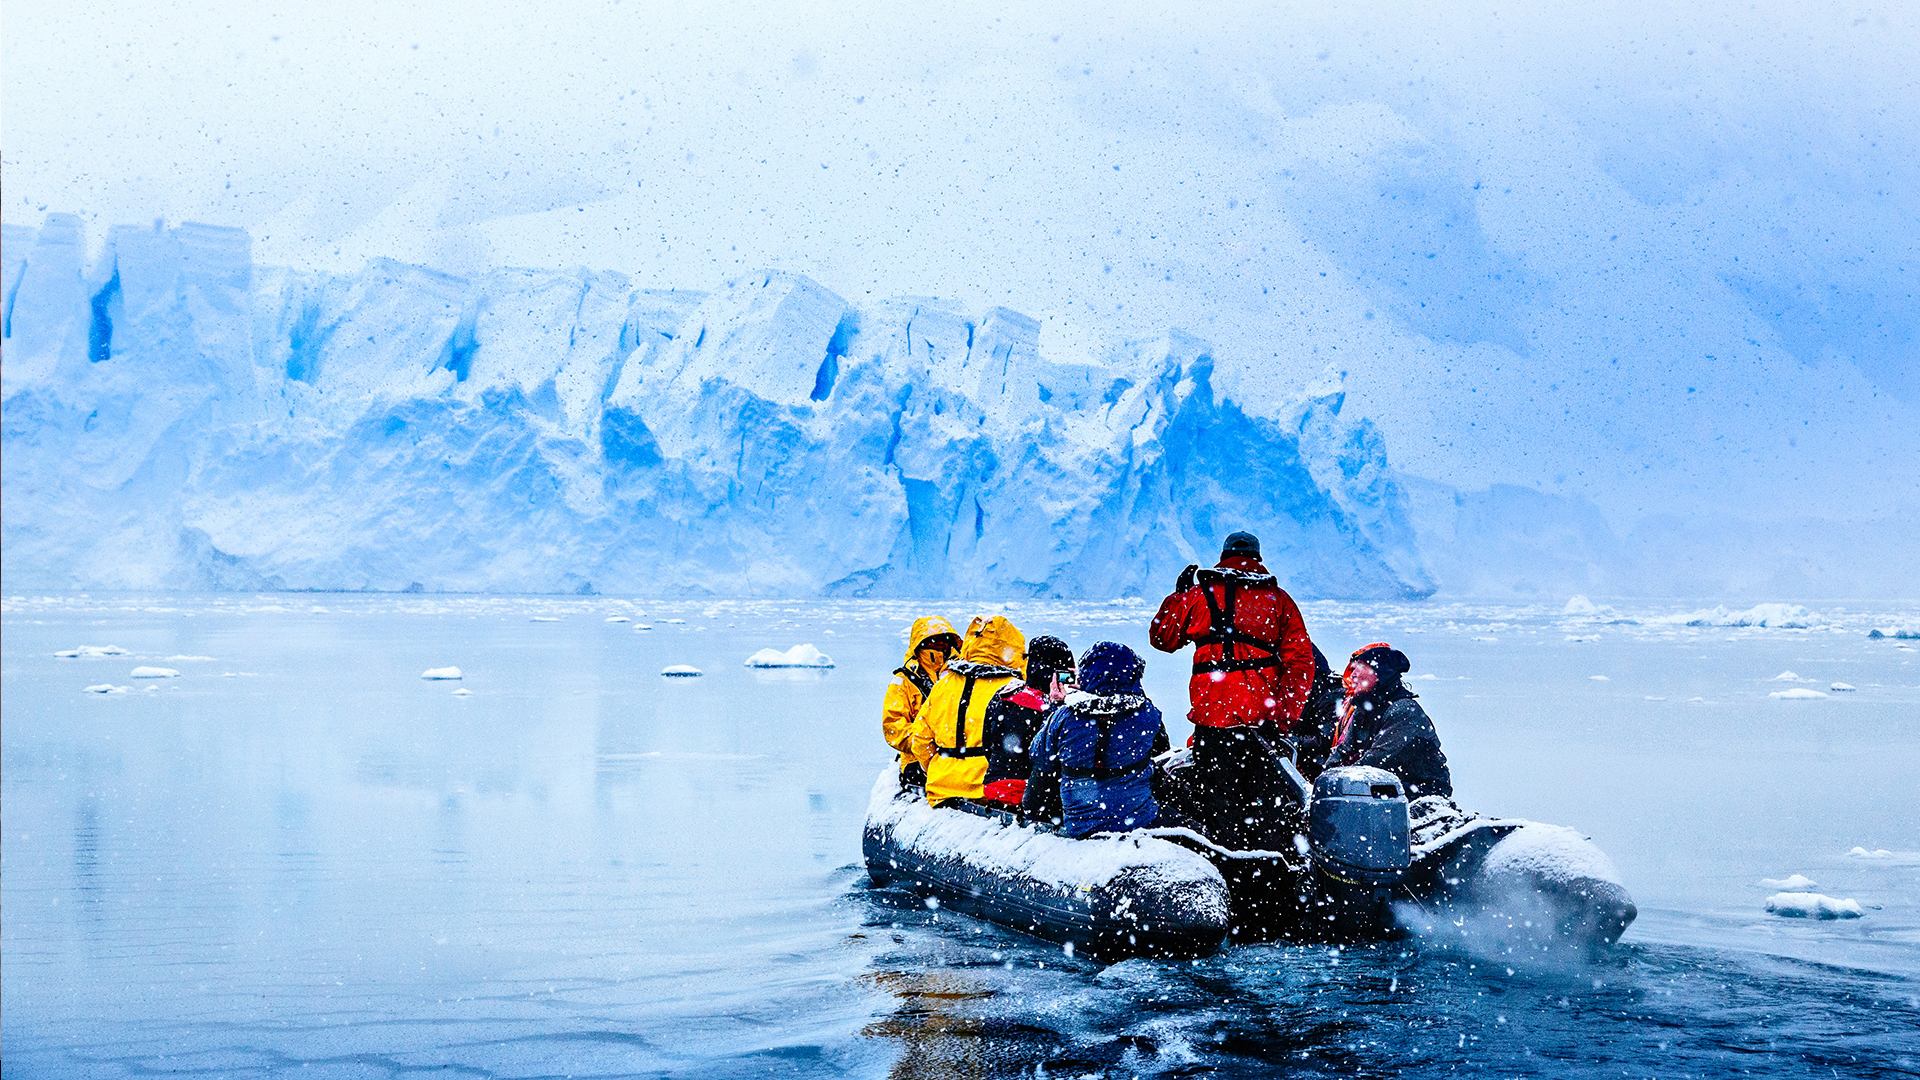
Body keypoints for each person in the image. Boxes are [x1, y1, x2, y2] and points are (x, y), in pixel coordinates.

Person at [1149, 530, 1316, 848]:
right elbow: (1300, 664)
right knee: (1263, 807)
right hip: (1261, 726)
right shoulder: (1279, 601)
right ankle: (1267, 873)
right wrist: (1282, 718)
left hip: (1212, 725)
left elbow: (1162, 638)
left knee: (1218, 805)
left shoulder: (1199, 596)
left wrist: (1177, 597)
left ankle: (1226, 864)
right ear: (1258, 558)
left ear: (1224, 555)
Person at [1024, 641, 1172, 837]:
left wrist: (1057, 704)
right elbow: (1162, 749)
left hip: (1080, 824)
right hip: (1139, 819)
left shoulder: (1064, 716)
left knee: (1046, 769)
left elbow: (1038, 754)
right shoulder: (1147, 714)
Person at [907, 615, 1027, 807]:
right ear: (1012, 648)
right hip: (986, 791)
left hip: (942, 789)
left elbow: (920, 741)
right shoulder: (1013, 690)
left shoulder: (943, 685)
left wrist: (940, 769)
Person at [1324, 643, 1453, 799]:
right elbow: (1343, 751)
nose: (1353, 674)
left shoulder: (1404, 712)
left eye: (1361, 668)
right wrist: (1325, 777)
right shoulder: (1364, 709)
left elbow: (1374, 763)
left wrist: (1337, 784)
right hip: (1388, 786)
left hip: (1422, 793)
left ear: (1380, 675)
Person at [976, 634, 1076, 808]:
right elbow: (1053, 759)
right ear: (1054, 673)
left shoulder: (1003, 694)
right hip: (1027, 794)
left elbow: (987, 744)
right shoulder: (1050, 709)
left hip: (994, 786)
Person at [882, 616, 961, 788]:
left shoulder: (961, 675)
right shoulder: (903, 681)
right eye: (933, 640)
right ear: (920, 643)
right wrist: (925, 743)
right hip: (916, 760)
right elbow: (893, 727)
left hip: (958, 756)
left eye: (944, 640)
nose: (940, 645)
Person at [1289, 644, 1346, 782]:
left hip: (1318, 772)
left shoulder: (1332, 695)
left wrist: (1292, 742)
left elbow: (1325, 739)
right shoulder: (1305, 691)